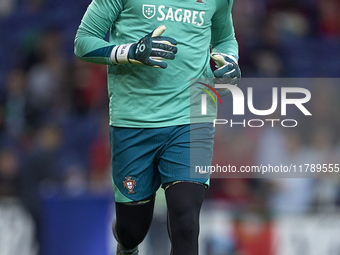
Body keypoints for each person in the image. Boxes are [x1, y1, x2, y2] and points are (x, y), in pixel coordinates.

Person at [74, 0, 241, 253]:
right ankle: (126, 244)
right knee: (132, 230)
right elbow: (83, 41)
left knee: (186, 224)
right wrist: (128, 52)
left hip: (194, 115)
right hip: (134, 121)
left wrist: (229, 61)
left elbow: (225, 38)